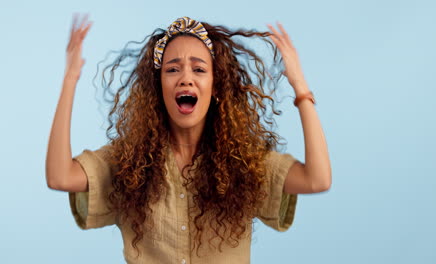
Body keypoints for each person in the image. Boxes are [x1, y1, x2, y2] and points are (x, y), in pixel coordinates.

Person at [46, 14, 331, 264]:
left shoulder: (245, 163)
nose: (185, 78)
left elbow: (317, 180)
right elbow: (60, 177)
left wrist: (301, 88)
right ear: (158, 88)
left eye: (198, 69)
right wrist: (70, 79)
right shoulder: (128, 163)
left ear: (216, 86)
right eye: (172, 69)